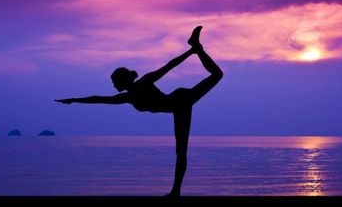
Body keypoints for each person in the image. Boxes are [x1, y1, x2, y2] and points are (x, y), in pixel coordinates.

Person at [55, 26, 223, 196]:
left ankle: (175, 193)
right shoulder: (128, 97)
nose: (114, 86)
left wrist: (190, 53)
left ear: (122, 81)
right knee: (216, 76)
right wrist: (74, 100)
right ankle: (196, 46)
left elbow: (169, 66)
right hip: (178, 104)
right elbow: (100, 98)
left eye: (115, 82)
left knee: (181, 150)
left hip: (181, 102)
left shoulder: (144, 82)